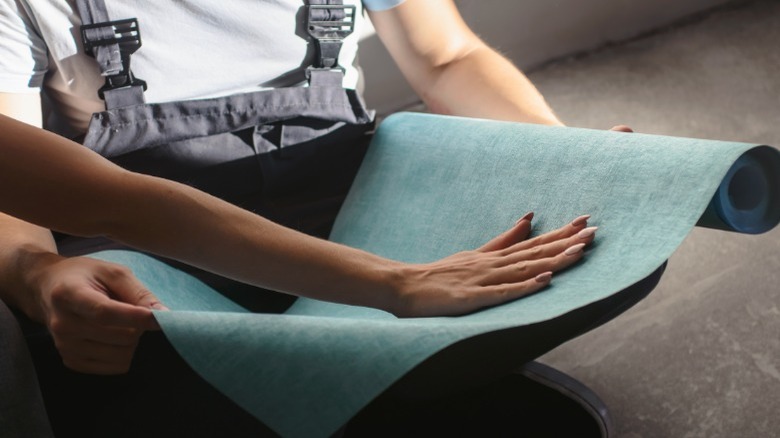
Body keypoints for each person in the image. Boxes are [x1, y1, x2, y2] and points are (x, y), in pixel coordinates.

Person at [0, 0, 618, 434]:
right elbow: (69, 192)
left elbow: (447, 56)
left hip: (352, 222)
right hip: (162, 281)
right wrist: (36, 271)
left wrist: (560, 150)